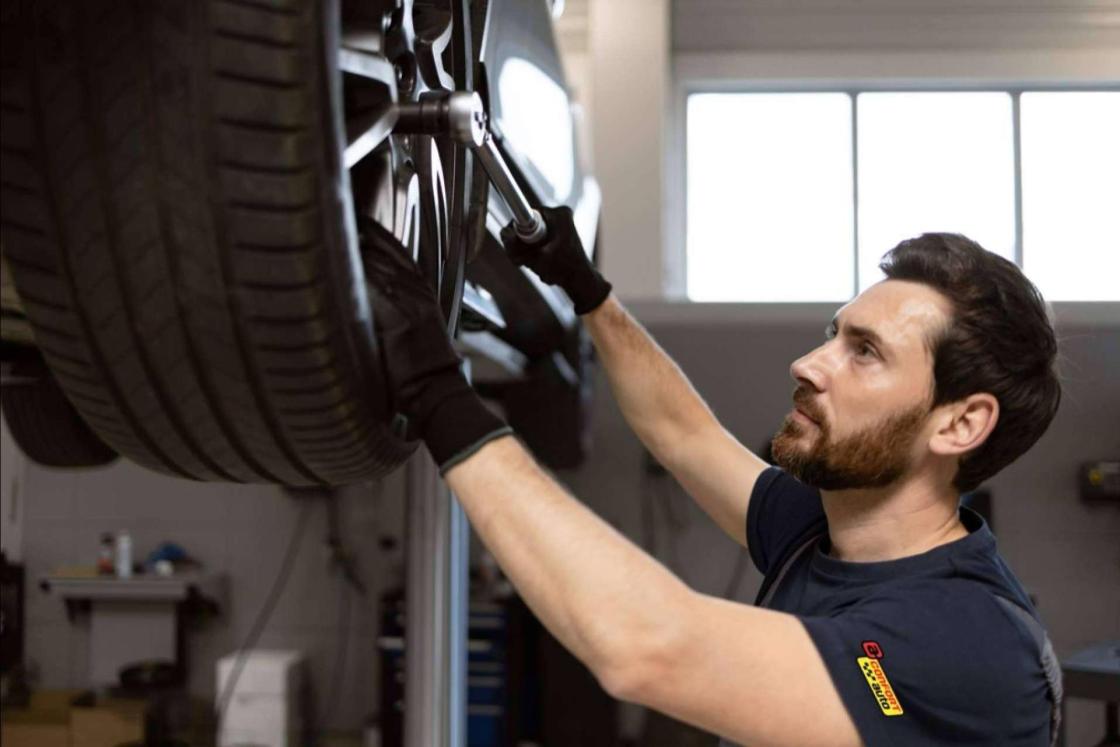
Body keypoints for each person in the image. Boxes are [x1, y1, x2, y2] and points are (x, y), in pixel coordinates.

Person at [360, 207, 1063, 747]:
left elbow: (649, 648)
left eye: (865, 352)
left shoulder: (966, 642)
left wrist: (436, 389)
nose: (810, 364)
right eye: (833, 333)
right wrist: (587, 290)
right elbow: (683, 432)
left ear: (960, 423)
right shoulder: (821, 529)